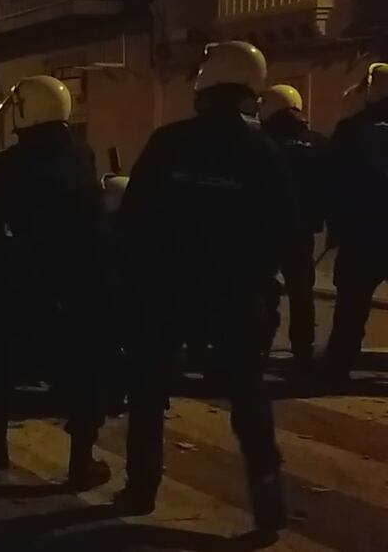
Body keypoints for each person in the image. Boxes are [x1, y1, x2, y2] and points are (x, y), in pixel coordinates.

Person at [116, 41, 293, 532]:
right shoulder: (264, 152)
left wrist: (138, 281)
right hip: (235, 293)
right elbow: (285, 228)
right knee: (248, 395)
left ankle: (141, 487)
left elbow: (133, 220)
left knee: (148, 389)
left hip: (168, 291)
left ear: (206, 85)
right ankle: (267, 496)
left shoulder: (169, 142)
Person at [0, 75, 111, 489]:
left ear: (27, 110)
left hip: (25, 278)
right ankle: (81, 461)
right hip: (82, 279)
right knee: (85, 368)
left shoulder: (8, 164)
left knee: (0, 362)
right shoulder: (82, 154)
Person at [321, 62, 388, 381]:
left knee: (351, 307)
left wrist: (335, 227)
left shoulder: (351, 130)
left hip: (362, 235)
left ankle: (337, 367)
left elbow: (332, 181)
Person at [258, 84, 328, 372]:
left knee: (261, 289)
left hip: (265, 229)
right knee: (301, 293)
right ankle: (302, 350)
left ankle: (259, 345)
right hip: (301, 231)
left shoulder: (262, 142)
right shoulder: (318, 143)